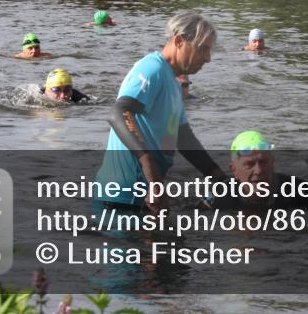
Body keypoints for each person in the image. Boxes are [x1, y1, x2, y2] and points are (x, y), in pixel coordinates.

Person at [94, 11, 225, 213]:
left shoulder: (173, 83)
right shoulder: (152, 69)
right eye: (203, 49)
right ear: (179, 41)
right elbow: (119, 112)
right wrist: (152, 175)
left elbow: (183, 138)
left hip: (146, 195)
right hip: (120, 196)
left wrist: (218, 176)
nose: (208, 58)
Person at [198, 130, 308, 211]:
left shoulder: (298, 190)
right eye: (250, 164)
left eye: (264, 162)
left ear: (273, 164)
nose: (258, 171)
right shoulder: (219, 195)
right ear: (234, 170)